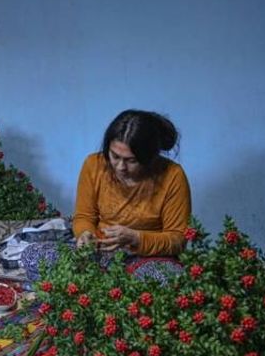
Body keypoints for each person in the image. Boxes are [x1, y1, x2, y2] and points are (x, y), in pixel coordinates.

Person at [73, 109, 191, 281]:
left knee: (166, 279)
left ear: (149, 156)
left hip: (147, 258)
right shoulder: (93, 165)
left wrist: (136, 238)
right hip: (101, 251)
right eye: (115, 156)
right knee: (36, 256)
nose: (120, 167)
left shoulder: (173, 176)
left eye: (131, 160)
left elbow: (178, 239)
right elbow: (84, 216)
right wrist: (85, 234)